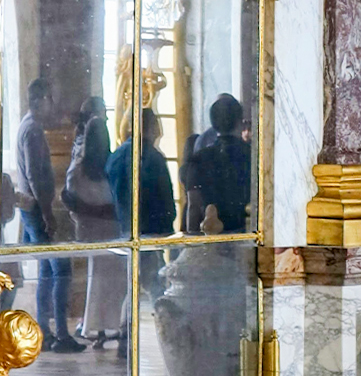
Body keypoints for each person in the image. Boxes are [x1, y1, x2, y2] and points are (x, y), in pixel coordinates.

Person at [12, 78, 82, 352]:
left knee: (46, 271)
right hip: (36, 208)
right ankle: (60, 332)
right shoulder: (32, 131)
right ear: (41, 100)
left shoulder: (28, 127)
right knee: (60, 270)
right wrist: (47, 213)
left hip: (32, 208)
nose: (53, 105)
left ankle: (45, 329)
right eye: (50, 99)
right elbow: (33, 174)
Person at [106, 109, 175, 358]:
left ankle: (126, 334)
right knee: (155, 284)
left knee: (132, 285)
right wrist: (167, 229)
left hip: (123, 229)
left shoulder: (116, 157)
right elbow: (165, 198)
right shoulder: (152, 157)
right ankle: (169, 332)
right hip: (149, 230)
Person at [65, 115, 125, 348]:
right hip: (110, 227)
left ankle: (98, 328)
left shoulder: (80, 168)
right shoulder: (110, 164)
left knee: (96, 281)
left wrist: (87, 210)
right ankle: (113, 325)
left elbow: (71, 193)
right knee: (114, 283)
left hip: (91, 229)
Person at [182, 94, 252, 234]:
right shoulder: (252, 156)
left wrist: (194, 244)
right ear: (239, 121)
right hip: (246, 237)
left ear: (213, 123)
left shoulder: (199, 159)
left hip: (210, 240)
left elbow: (194, 206)